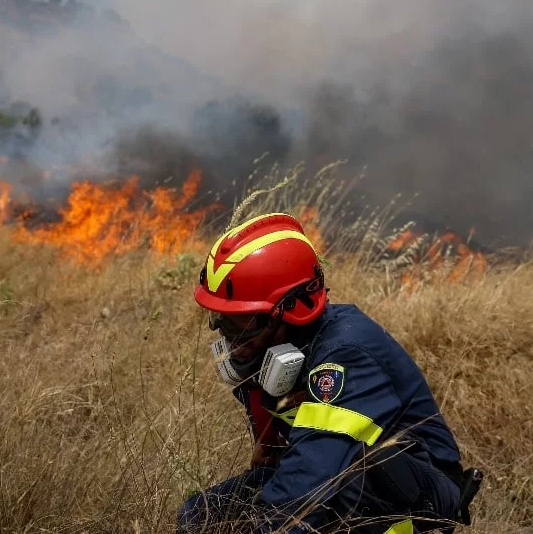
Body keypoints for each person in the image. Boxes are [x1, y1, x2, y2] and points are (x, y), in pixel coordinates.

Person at [177, 213, 480, 534]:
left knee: (327, 495)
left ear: (290, 309)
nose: (227, 337)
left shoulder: (345, 354)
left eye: (240, 323)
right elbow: (281, 454)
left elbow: (309, 479)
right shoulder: (268, 350)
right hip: (336, 469)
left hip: (412, 490)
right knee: (198, 515)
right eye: (220, 319)